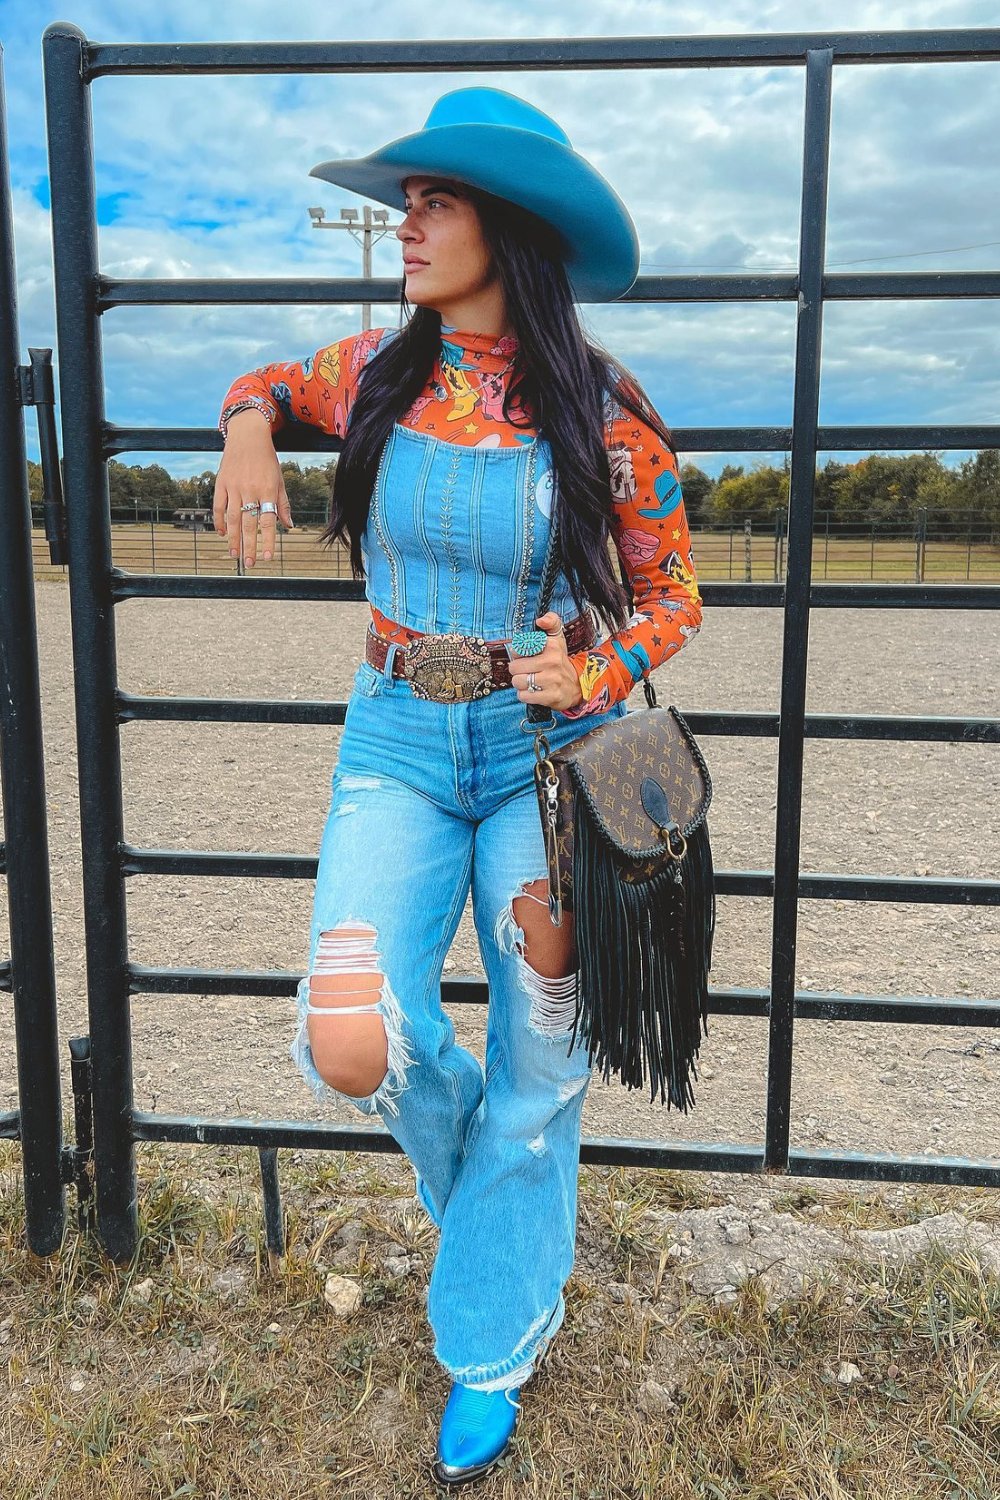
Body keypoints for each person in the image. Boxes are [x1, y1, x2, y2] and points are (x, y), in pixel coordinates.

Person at [213, 85, 702, 1489]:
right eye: (404, 202)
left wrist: (591, 677)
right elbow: (263, 383)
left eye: (433, 201)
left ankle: (488, 1341)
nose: (405, 226)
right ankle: (497, 1192)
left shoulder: (607, 412)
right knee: (353, 1037)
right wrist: (250, 431)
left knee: (545, 1031)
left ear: (512, 226)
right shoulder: (367, 369)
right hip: (394, 742)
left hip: (540, 763)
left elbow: (675, 598)